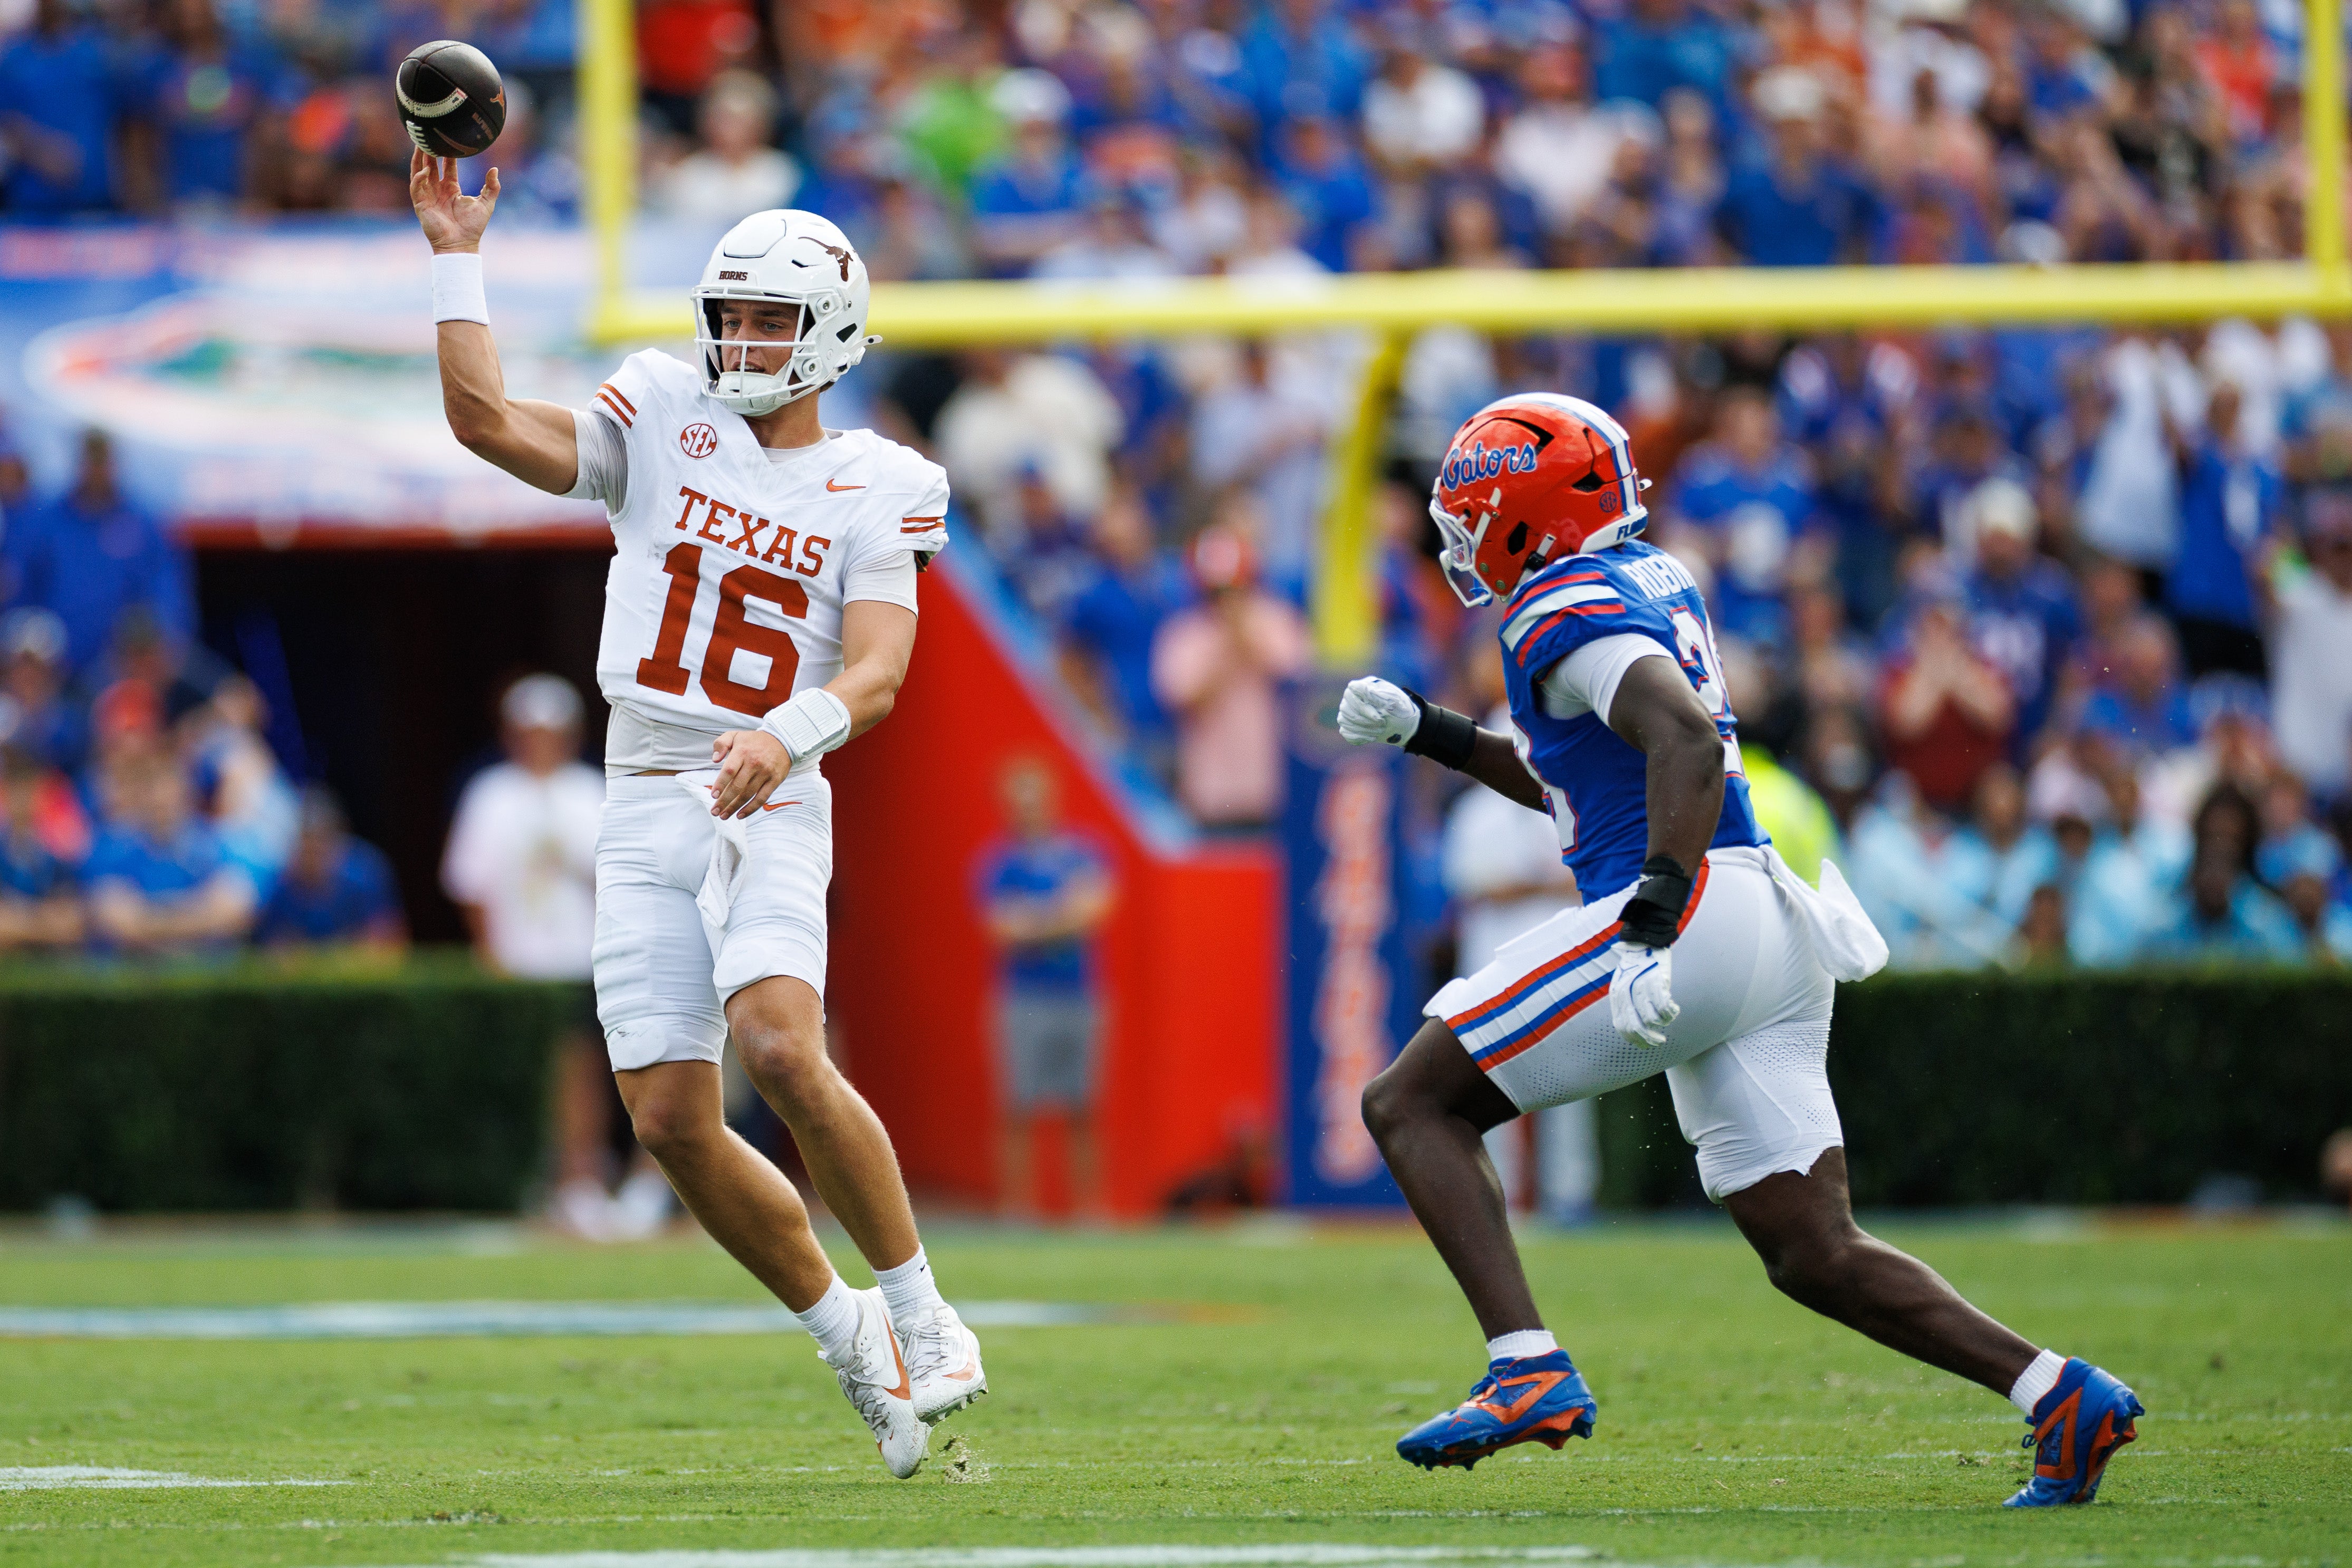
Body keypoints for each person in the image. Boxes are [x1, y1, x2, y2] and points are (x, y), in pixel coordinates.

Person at [1333, 391, 2140, 1503]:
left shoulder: (1553, 606)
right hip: (1766, 917)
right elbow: (1584, 772)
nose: (1458, 537)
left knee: (1408, 1100)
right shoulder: (1643, 577)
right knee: (1812, 1247)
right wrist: (1434, 732)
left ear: (1530, 513)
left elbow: (1680, 741)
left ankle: (1526, 1368)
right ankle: (2060, 1391)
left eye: (1473, 512)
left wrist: (1652, 915)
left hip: (1695, 909)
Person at [414, 154, 980, 1478]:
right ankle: (852, 1340)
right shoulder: (664, 405)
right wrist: (456, 254)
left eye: (772, 317)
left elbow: (881, 670)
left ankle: (924, 1309)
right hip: (639, 778)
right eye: (731, 310)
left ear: (833, 328)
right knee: (668, 1118)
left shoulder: (879, 477)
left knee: (779, 1044)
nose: (742, 338)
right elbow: (488, 421)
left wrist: (784, 733)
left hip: (774, 782)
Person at [976, 757, 1114, 1219]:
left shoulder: (1083, 851)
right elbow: (1000, 927)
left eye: (1036, 798)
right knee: (1017, 1104)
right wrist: (1064, 915)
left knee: (1084, 1105)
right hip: (1022, 999)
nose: (1028, 809)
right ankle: (1018, 1207)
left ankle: (1089, 1208)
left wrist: (1033, 919)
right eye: (1020, 801)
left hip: (1079, 995)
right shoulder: (998, 862)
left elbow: (1096, 909)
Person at [1151, 517, 1312, 830]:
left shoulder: (1277, 619)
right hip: (1213, 799)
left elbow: (1299, 682)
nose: (1226, 599)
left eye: (1234, 587)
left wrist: (1245, 636)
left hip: (1275, 794)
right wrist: (1226, 645)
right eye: (1218, 591)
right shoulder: (1184, 634)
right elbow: (1183, 699)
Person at [82, 746, 257, 956]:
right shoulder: (113, 851)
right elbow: (115, 920)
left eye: (167, 787)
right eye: (151, 789)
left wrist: (148, 922)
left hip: (206, 978)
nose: (159, 798)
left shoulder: (213, 845)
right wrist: (198, 920)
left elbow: (234, 910)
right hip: (137, 976)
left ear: (185, 793)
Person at [254, 786, 404, 951]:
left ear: (338, 838)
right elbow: (274, 951)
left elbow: (390, 945)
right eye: (306, 847)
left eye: (321, 843)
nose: (314, 856)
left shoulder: (366, 873)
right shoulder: (281, 882)